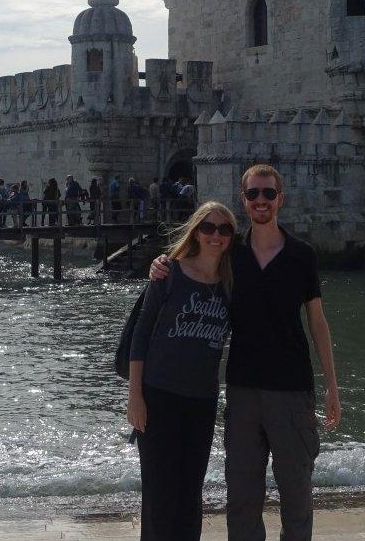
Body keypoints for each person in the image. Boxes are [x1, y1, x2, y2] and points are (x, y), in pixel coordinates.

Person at [150, 165, 341, 541]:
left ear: (280, 199)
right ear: (244, 200)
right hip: (242, 390)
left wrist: (332, 387)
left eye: (268, 193)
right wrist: (161, 265)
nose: (261, 201)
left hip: (292, 391)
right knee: (241, 497)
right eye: (253, 194)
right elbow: (195, 268)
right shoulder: (230, 255)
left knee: (297, 494)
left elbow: (317, 322)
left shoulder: (302, 255)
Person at [129, 202, 235, 541]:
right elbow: (140, 336)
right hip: (159, 396)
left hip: (201, 401)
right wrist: (135, 397)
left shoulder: (232, 284)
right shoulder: (169, 273)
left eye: (224, 230)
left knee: (191, 494)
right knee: (159, 495)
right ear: (196, 232)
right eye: (208, 228)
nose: (215, 236)